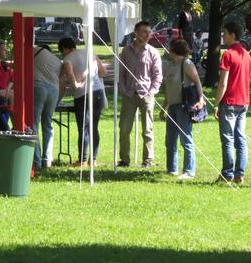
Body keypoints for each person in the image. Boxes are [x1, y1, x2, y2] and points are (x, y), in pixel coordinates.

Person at [118, 21, 163, 168]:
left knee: (147, 129)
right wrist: (123, 89)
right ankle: (124, 159)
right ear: (136, 33)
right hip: (129, 94)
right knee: (124, 129)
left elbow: (158, 76)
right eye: (144, 32)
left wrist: (151, 92)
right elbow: (121, 73)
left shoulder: (153, 52)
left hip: (146, 95)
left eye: (149, 32)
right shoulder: (126, 51)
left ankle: (147, 160)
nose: (148, 35)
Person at [214, 21, 251, 183]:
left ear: (232, 35)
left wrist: (216, 103)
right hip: (244, 102)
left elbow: (223, 83)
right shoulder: (247, 55)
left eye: (224, 33)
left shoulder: (228, 55)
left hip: (229, 102)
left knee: (228, 139)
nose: (223, 36)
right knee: (241, 138)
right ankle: (240, 174)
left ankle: (227, 173)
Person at [159, 39, 205, 180]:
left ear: (174, 49)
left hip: (183, 106)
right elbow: (170, 90)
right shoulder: (173, 65)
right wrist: (163, 108)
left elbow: (197, 82)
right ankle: (172, 169)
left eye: (170, 47)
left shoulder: (187, 63)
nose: (168, 50)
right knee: (170, 140)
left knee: (185, 139)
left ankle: (189, 171)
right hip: (172, 107)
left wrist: (201, 99)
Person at [58, 37, 107, 167]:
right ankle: (93, 159)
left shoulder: (67, 59)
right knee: (94, 126)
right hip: (98, 91)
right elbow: (103, 71)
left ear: (64, 49)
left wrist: (75, 84)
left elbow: (70, 75)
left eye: (61, 52)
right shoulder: (89, 52)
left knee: (83, 127)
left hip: (82, 94)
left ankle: (82, 160)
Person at [33, 44, 62, 169]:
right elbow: (62, 81)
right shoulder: (57, 60)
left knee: (33, 124)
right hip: (54, 90)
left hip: (38, 86)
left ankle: (36, 161)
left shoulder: (35, 50)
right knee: (48, 124)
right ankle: (47, 160)